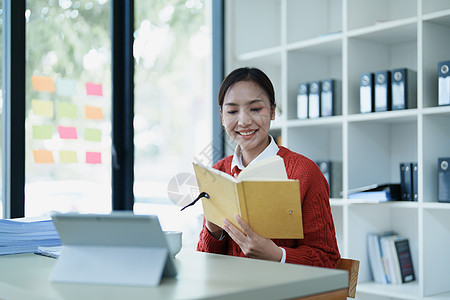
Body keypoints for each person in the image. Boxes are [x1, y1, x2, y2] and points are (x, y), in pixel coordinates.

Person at [197, 67, 340, 267]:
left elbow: (328, 260)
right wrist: (213, 230)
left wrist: (277, 254)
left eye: (255, 109)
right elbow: (205, 264)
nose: (244, 121)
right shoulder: (219, 171)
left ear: (273, 111)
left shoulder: (304, 173)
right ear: (222, 116)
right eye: (232, 111)